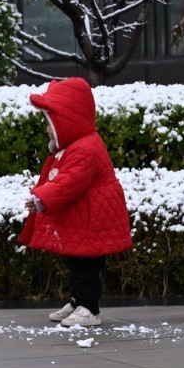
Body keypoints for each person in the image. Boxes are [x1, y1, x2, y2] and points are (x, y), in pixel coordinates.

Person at [19, 76, 130, 327]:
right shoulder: (75, 145)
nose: (48, 129)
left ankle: (89, 308)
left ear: (67, 120)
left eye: (51, 123)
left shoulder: (86, 148)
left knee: (88, 265)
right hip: (84, 217)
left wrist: (42, 199)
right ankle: (77, 300)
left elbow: (69, 182)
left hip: (94, 219)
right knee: (75, 261)